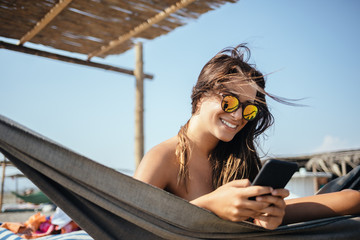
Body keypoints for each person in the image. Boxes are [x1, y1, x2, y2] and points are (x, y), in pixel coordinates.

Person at [134, 44, 360, 230]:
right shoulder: (163, 158)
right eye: (229, 101)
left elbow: (252, 220)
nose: (238, 115)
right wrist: (209, 206)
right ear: (201, 96)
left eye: (248, 109)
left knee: (351, 199)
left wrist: (269, 216)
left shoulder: (238, 156)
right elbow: (128, 226)